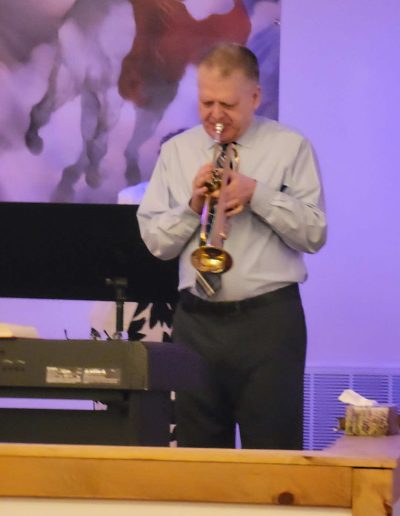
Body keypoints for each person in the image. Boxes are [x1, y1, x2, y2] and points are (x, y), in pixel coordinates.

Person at [137, 43, 327, 450]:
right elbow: (156, 243)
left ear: (255, 97)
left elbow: (314, 233)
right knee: (200, 460)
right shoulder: (177, 152)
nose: (215, 116)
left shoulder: (290, 147)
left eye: (227, 104)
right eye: (206, 103)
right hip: (196, 324)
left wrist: (256, 194)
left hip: (268, 323)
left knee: (274, 455)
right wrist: (193, 206)